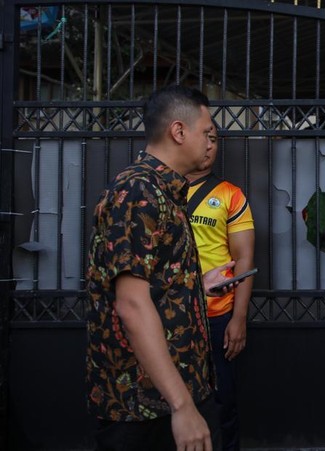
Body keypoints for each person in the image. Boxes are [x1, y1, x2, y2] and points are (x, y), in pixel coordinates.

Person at [86, 85, 239, 451]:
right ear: (179, 131)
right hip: (145, 405)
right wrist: (182, 406)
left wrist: (196, 286)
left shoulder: (163, 192)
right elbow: (132, 305)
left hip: (172, 395)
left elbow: (151, 287)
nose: (210, 142)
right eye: (207, 132)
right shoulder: (139, 192)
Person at [186, 129, 255, 451]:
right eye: (205, 137)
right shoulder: (158, 191)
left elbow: (243, 259)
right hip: (167, 316)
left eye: (215, 140)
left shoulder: (230, 195)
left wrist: (238, 317)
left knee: (222, 400)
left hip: (216, 316)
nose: (210, 146)